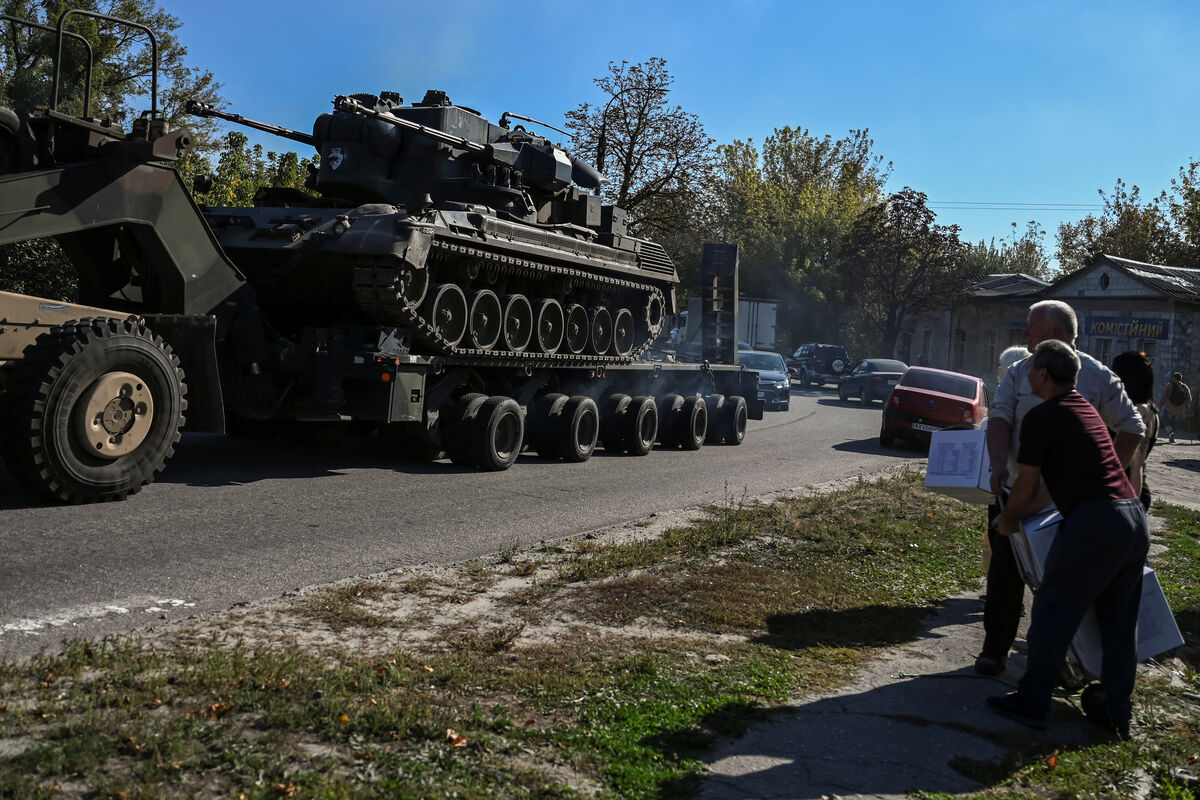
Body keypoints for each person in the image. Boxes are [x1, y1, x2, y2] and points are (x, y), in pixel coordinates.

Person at [988, 339, 1149, 738]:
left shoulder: (1042, 417)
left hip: (1095, 522)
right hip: (1133, 518)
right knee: (1117, 625)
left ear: (1043, 374)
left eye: (1030, 370)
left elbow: (1024, 490)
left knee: (1052, 611)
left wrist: (1007, 522)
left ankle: (1033, 702)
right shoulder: (1087, 411)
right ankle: (1116, 711)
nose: (1026, 376)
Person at [1111, 351, 1158, 510]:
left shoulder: (1138, 412)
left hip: (1128, 494)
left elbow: (1136, 463)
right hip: (1131, 492)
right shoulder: (1149, 408)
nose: (1113, 379)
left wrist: (1131, 506)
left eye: (1116, 373)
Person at [1159, 372, 1192, 444]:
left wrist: (1159, 406)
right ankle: (1173, 436)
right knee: (1176, 423)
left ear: (1174, 378)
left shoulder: (1169, 386)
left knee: (1164, 417)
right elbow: (1189, 398)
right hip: (1180, 409)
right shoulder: (1185, 387)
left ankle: (1170, 432)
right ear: (1180, 378)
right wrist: (1186, 407)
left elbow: (1163, 397)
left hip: (1169, 408)